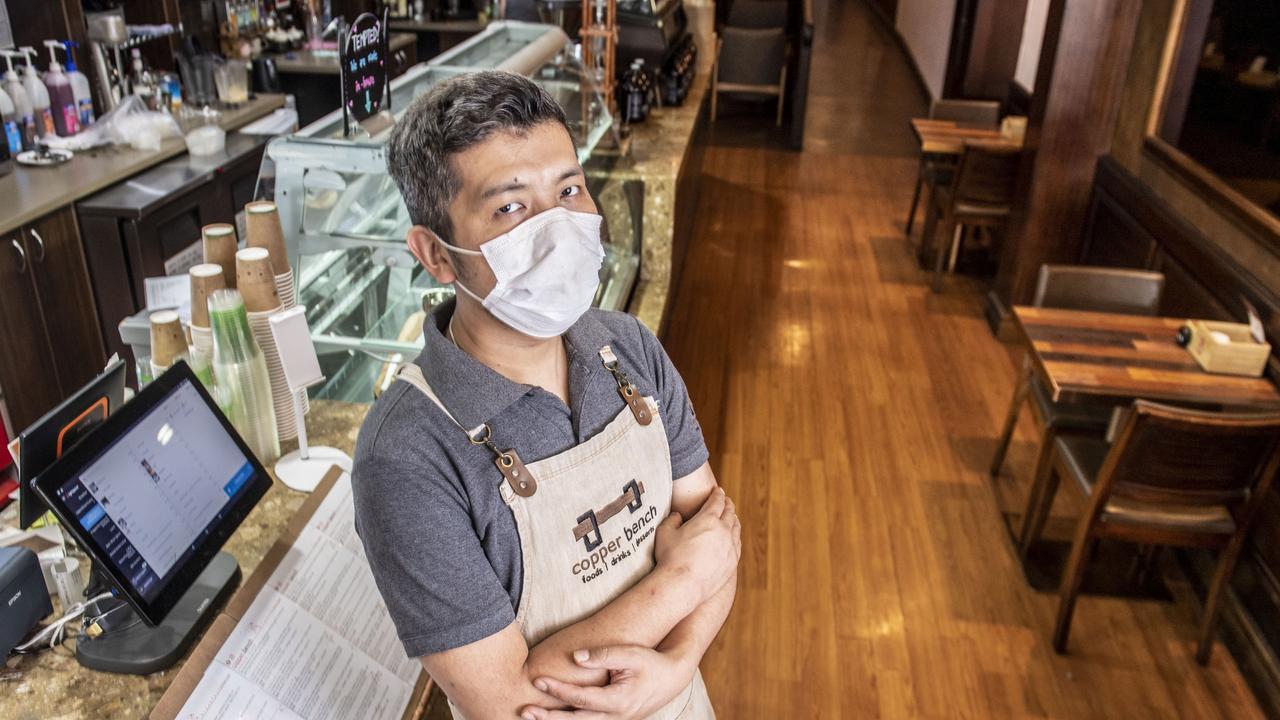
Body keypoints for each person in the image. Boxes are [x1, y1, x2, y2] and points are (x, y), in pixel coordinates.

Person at [352, 70, 741, 720]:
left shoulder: (628, 346)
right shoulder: (406, 458)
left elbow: (720, 538)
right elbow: (514, 704)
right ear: (436, 256)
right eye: (510, 207)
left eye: (568, 188)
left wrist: (676, 666)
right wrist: (684, 578)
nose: (558, 226)